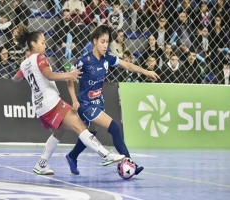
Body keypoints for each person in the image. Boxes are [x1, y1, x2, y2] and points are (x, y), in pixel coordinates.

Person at [12, 24, 125, 175]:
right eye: (42, 42)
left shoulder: (24, 64)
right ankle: (105, 155)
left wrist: (29, 71)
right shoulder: (40, 58)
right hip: (51, 103)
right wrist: (69, 75)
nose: (45, 45)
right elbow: (50, 76)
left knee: (58, 133)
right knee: (80, 126)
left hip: (39, 108)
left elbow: (15, 79)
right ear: (33, 44)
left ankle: (41, 164)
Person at [64, 25, 159, 175]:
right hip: (86, 105)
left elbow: (126, 64)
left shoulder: (107, 57)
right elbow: (69, 79)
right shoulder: (84, 61)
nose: (105, 45)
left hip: (99, 102)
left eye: (107, 41)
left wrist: (145, 71)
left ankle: (72, 156)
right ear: (94, 41)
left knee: (91, 134)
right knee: (114, 127)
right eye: (102, 41)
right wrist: (74, 100)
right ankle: (130, 164)